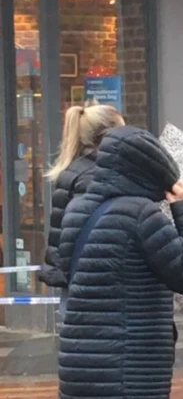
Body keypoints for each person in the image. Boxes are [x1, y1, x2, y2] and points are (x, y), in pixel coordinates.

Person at [56, 125, 183, 399]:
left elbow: (70, 273)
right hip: (129, 368)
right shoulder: (141, 215)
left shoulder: (75, 209)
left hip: (79, 361)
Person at [37, 103, 125, 315]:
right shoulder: (96, 177)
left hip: (76, 282)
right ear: (109, 137)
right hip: (94, 289)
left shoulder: (74, 170)